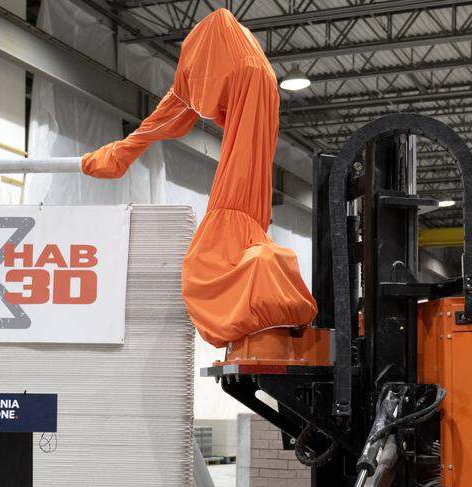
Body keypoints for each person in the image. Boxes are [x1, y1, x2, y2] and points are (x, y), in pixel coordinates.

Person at [79, 8, 317, 346]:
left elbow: (168, 115)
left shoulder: (221, 63)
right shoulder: (248, 71)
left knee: (236, 205)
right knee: (244, 192)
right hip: (252, 101)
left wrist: (121, 153)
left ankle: (246, 293)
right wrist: (121, 153)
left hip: (241, 113)